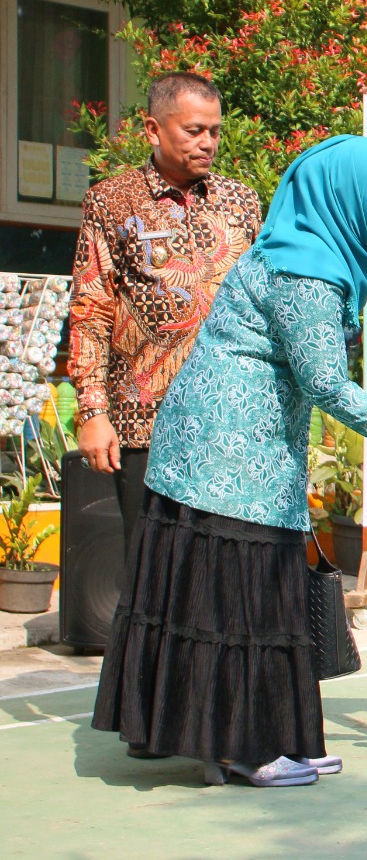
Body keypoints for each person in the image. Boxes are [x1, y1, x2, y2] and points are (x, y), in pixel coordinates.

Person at [91, 135, 367, 788]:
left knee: (231, 598)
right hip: (230, 454)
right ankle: (241, 749)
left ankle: (249, 736)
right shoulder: (309, 272)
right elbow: (326, 384)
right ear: (347, 198)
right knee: (239, 603)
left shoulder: (296, 248)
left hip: (219, 444)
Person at [68, 73, 259, 619]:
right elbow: (91, 308)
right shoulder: (111, 201)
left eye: (214, 131)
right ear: (153, 129)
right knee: (154, 580)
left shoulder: (241, 202)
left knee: (227, 579)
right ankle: (148, 678)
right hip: (144, 423)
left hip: (229, 419)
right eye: (194, 130)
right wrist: (93, 411)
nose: (207, 142)